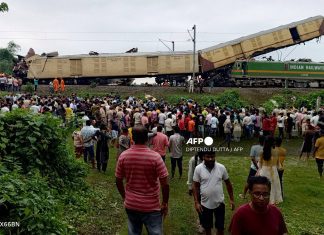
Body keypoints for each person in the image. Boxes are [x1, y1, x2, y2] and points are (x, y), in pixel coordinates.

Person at [115, 126, 169, 235]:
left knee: (134, 232)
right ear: (147, 139)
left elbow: (118, 180)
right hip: (151, 205)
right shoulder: (155, 157)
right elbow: (165, 184)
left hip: (131, 204)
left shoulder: (123, 156)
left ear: (132, 138)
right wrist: (164, 203)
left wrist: (124, 197)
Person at [192, 149, 235, 235]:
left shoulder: (221, 167)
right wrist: (196, 202)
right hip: (205, 204)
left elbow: (228, 184)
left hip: (219, 203)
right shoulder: (198, 168)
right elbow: (195, 186)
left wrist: (231, 199)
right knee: (207, 228)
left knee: (220, 228)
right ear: (203, 157)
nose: (211, 159)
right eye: (208, 157)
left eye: (212, 156)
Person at [258, 136, 283, 204]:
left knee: (264, 186)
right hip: (274, 171)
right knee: (274, 185)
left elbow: (259, 164)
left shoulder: (262, 152)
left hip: (264, 170)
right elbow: (278, 164)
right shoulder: (276, 151)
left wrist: (258, 172)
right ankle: (273, 200)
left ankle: (264, 199)